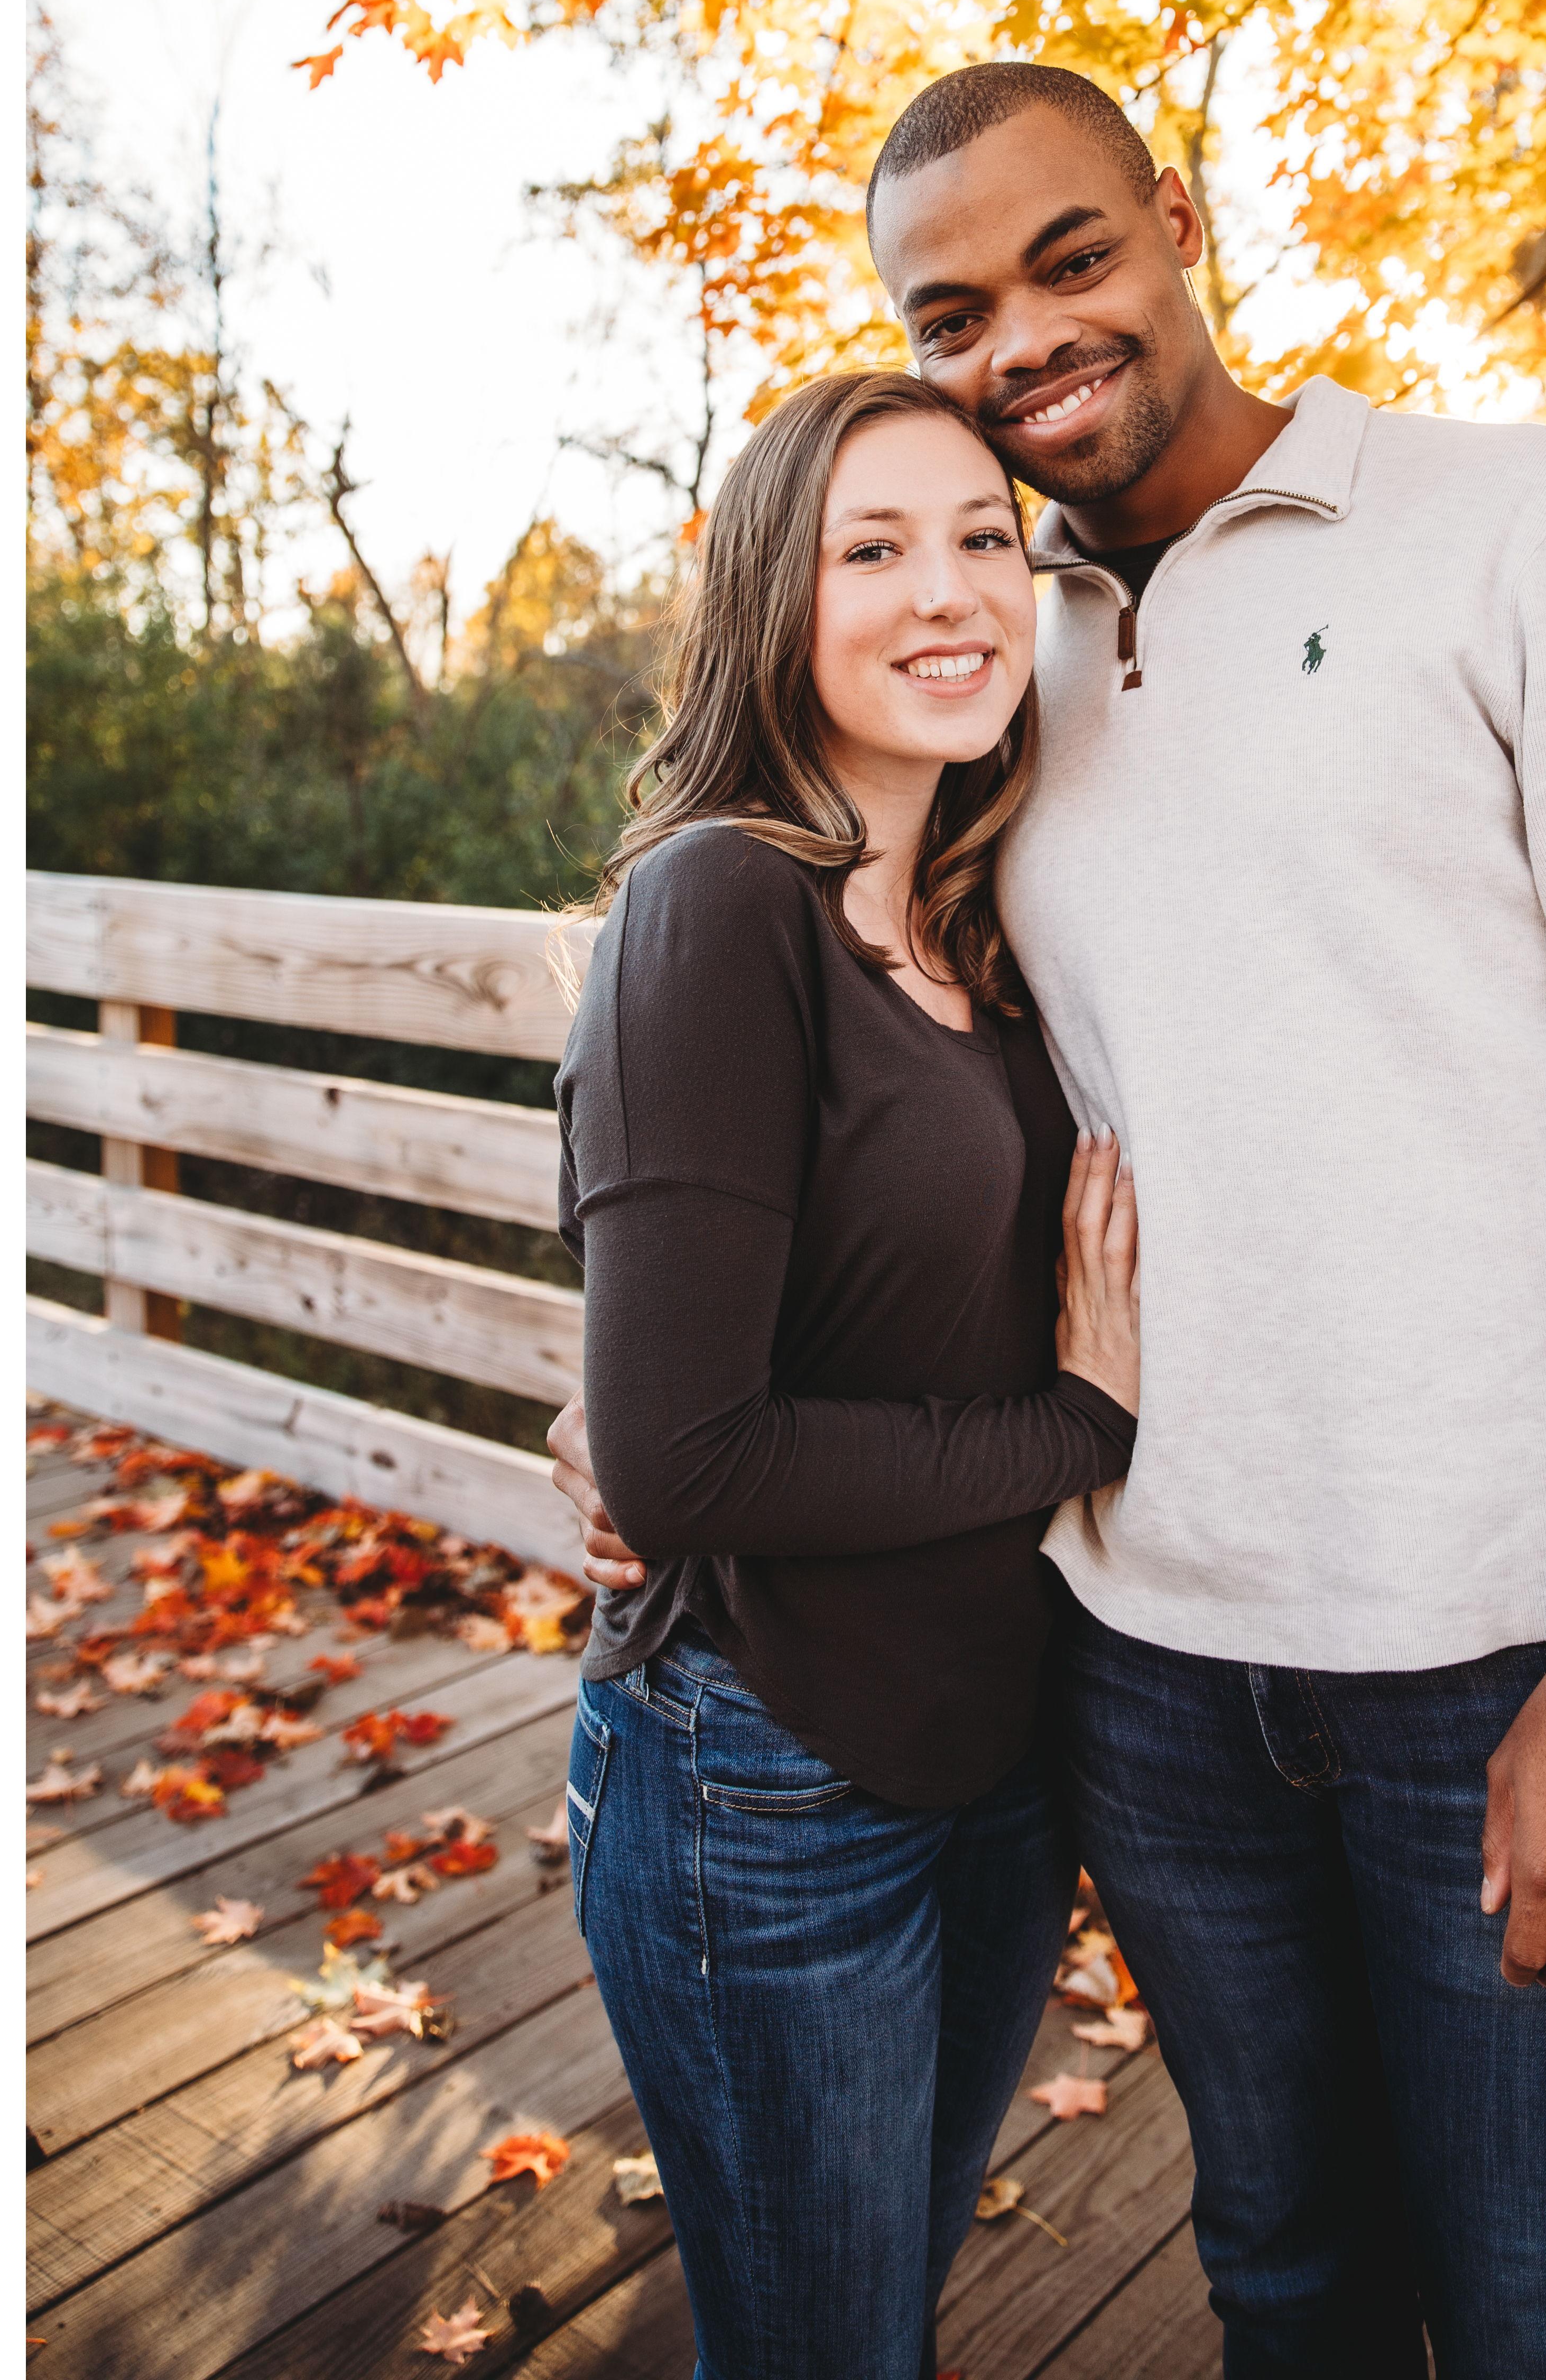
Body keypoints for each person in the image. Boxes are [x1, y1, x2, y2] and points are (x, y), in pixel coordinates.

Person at [560, 59, 1546, 2379]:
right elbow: (871, 1068)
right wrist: (645, 1395)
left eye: (1071, 257)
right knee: (1282, 2278)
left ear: (1175, 214)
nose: (1025, 337)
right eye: (950, 313)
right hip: (1144, 1663)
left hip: (1513, 1648)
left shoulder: (1521, 530)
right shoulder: (984, 654)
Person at [546, 366, 1144, 2380]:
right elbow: (690, 1459)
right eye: (870, 548)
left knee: (877, 2321)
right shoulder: (723, 901)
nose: (948, 589)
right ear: (767, 604)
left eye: (985, 535)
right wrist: (1075, 1428)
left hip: (992, 1747)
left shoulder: (980, 915)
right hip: (762, 1767)